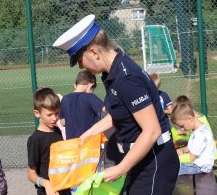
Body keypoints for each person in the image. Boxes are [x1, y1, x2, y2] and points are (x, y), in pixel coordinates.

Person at [53, 14, 179, 194]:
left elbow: (152, 130)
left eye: (80, 60)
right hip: (140, 157)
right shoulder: (113, 73)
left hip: (154, 159)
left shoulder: (126, 79)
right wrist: (89, 133)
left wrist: (120, 169)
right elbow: (122, 112)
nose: (81, 67)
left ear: (94, 52)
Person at [27, 88, 71, 195]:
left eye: (57, 113)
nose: (55, 118)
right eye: (49, 114)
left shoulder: (57, 130)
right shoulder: (35, 140)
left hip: (65, 188)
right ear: (37, 113)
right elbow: (31, 174)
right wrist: (46, 183)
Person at [171, 103, 216, 175]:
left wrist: (175, 159)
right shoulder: (196, 130)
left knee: (171, 170)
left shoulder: (200, 134)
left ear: (190, 118)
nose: (182, 129)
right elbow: (190, 148)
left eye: (182, 126)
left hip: (200, 167)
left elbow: (191, 158)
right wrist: (182, 150)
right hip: (197, 165)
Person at [59, 70, 105, 139]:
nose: (92, 92)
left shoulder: (65, 99)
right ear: (90, 85)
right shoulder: (90, 97)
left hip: (72, 142)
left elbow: (62, 122)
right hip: (90, 141)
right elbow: (106, 110)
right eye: (93, 89)